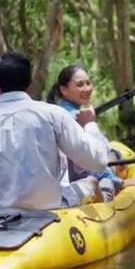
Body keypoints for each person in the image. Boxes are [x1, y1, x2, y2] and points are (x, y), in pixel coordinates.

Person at [0, 51, 112, 214]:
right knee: (92, 181)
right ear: (29, 84)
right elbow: (98, 162)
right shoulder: (53, 114)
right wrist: (90, 124)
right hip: (50, 205)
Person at [52, 64, 124, 202]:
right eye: (80, 85)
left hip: (69, 177)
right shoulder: (72, 118)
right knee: (108, 167)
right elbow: (92, 161)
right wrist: (119, 181)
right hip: (76, 180)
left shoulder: (59, 110)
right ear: (64, 90)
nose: (87, 88)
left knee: (113, 153)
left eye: (88, 83)